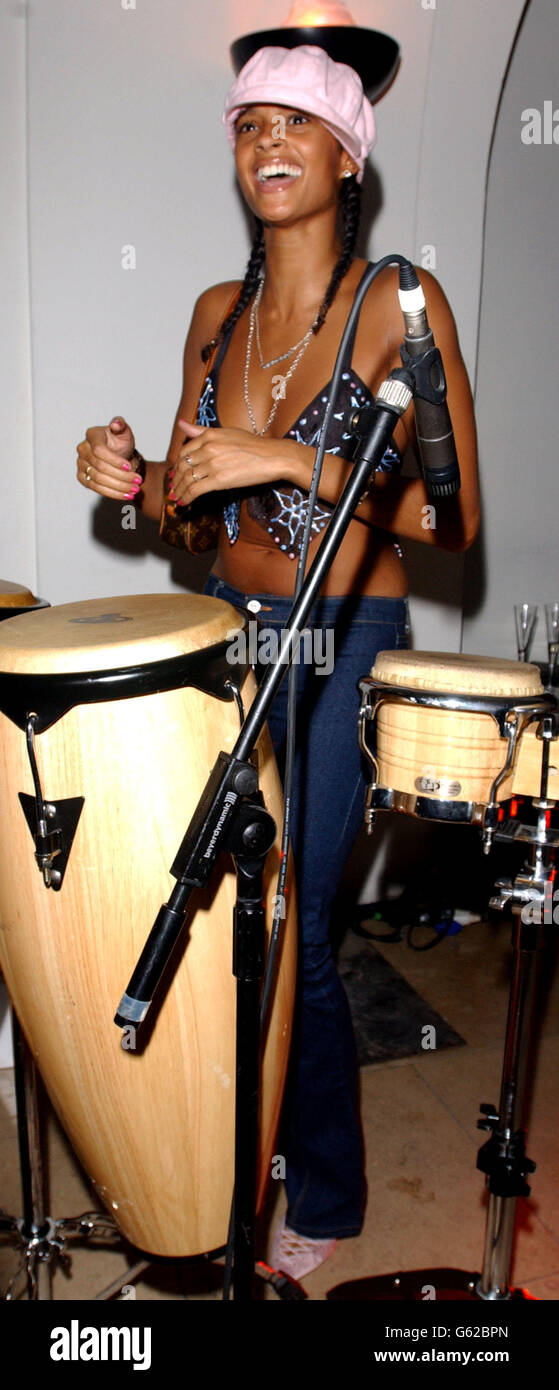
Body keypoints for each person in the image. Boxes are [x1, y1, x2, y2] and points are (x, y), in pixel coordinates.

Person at [76, 44, 479, 1280]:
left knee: (293, 914)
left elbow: (448, 521)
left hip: (345, 633)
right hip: (229, 631)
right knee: (223, 911)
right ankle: (229, 1155)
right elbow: (194, 519)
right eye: (248, 124)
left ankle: (332, 1189)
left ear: (349, 154)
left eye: (296, 124)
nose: (267, 142)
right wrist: (137, 480)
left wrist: (286, 458)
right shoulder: (215, 313)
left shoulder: (395, 304)